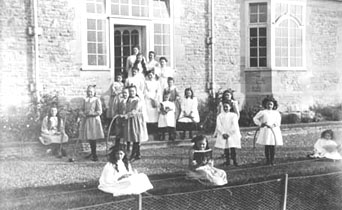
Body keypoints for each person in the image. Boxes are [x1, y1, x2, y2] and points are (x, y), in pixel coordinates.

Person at [253, 96, 283, 166]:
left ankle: (272, 161)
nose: (269, 106)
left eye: (271, 104)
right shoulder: (263, 112)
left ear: (273, 105)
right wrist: (261, 124)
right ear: (265, 104)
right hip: (266, 130)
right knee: (267, 145)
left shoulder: (276, 113)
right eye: (268, 104)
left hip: (273, 130)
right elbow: (255, 119)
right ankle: (267, 160)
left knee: (272, 146)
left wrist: (273, 125)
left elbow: (278, 122)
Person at [79, 85, 105, 161]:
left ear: (94, 92)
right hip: (87, 120)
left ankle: (94, 154)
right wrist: (82, 113)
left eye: (91, 92)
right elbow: (81, 109)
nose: (89, 93)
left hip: (94, 121)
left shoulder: (96, 100)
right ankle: (92, 152)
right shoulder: (85, 100)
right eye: (88, 92)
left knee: (93, 137)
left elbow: (99, 111)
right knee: (89, 137)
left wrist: (91, 113)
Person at [124, 85, 148, 160]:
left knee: (136, 136)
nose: (131, 93)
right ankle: (138, 154)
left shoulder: (138, 100)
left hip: (136, 120)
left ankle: (133, 154)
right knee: (132, 136)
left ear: (136, 92)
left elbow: (135, 110)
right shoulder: (128, 100)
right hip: (130, 120)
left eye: (133, 91)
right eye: (130, 91)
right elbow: (126, 109)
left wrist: (127, 115)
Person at [214, 102, 242, 166]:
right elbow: (219, 125)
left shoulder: (233, 115)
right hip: (223, 133)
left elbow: (234, 125)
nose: (225, 108)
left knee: (232, 147)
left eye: (227, 106)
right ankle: (227, 161)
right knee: (226, 147)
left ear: (230, 107)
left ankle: (234, 161)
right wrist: (223, 133)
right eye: (224, 107)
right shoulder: (220, 116)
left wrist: (229, 133)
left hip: (232, 134)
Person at [144, 70, 161, 140]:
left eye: (152, 75)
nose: (150, 76)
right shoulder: (146, 82)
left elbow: (159, 91)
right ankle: (149, 131)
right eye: (149, 75)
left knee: (155, 115)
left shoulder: (157, 83)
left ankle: (155, 131)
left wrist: (155, 98)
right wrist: (150, 98)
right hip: (148, 100)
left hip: (155, 99)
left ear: (154, 75)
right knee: (148, 115)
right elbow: (145, 91)